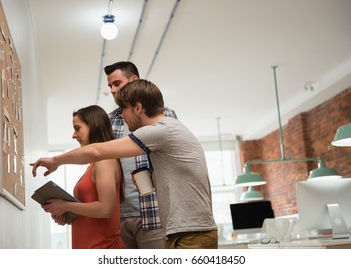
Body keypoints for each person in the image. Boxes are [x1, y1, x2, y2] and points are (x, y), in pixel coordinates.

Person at [31, 80, 218, 249]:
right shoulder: (166, 132)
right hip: (181, 232)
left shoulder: (162, 130)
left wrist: (55, 161)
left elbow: (98, 151)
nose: (121, 115)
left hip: (193, 233)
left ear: (138, 108)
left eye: (123, 109)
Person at [104, 61, 177, 249]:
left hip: (153, 212)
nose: (112, 90)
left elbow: (171, 160)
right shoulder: (109, 120)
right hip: (119, 216)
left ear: (133, 80)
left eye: (117, 84)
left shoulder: (164, 115)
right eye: (110, 86)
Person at [36, 105, 125, 249]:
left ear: (94, 126)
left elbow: (105, 209)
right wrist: (67, 213)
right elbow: (90, 212)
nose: (73, 135)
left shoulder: (105, 161)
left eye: (77, 128)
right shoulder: (94, 165)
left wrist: (65, 205)